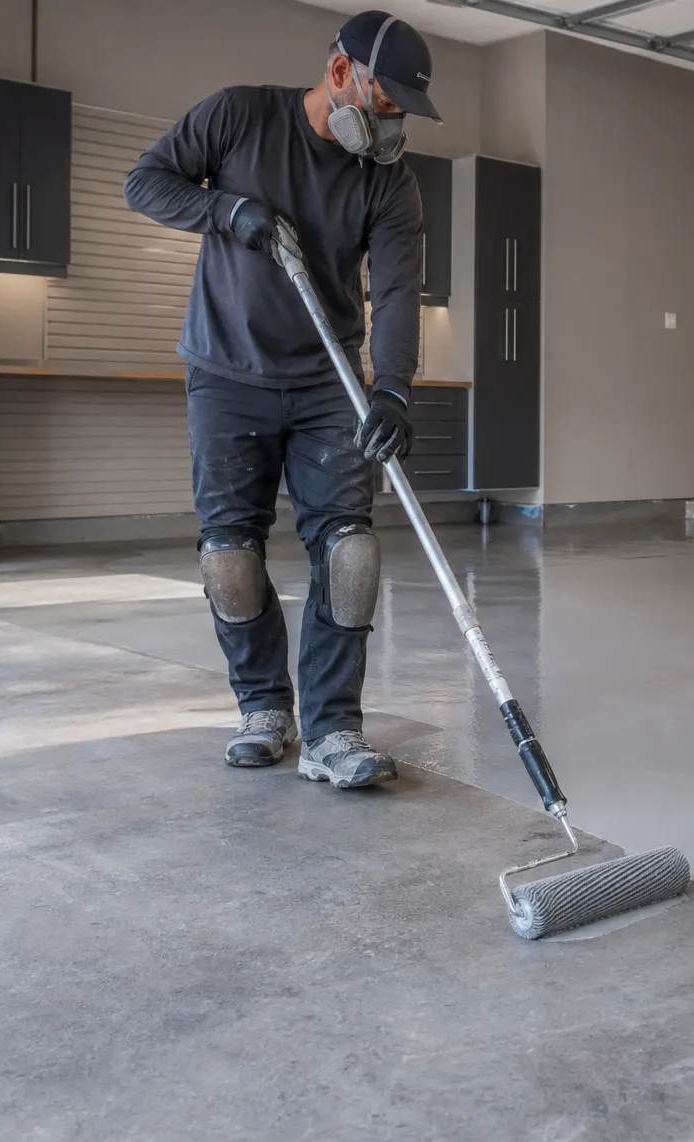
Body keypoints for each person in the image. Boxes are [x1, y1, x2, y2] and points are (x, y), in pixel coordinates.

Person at [124, 10, 442, 788]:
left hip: (327, 379)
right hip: (226, 372)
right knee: (229, 555)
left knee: (351, 552)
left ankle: (335, 729)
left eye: (402, 111)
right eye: (384, 103)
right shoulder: (238, 116)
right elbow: (146, 183)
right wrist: (227, 212)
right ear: (339, 74)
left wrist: (394, 389)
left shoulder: (388, 181)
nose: (391, 124)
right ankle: (265, 708)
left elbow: (398, 291)